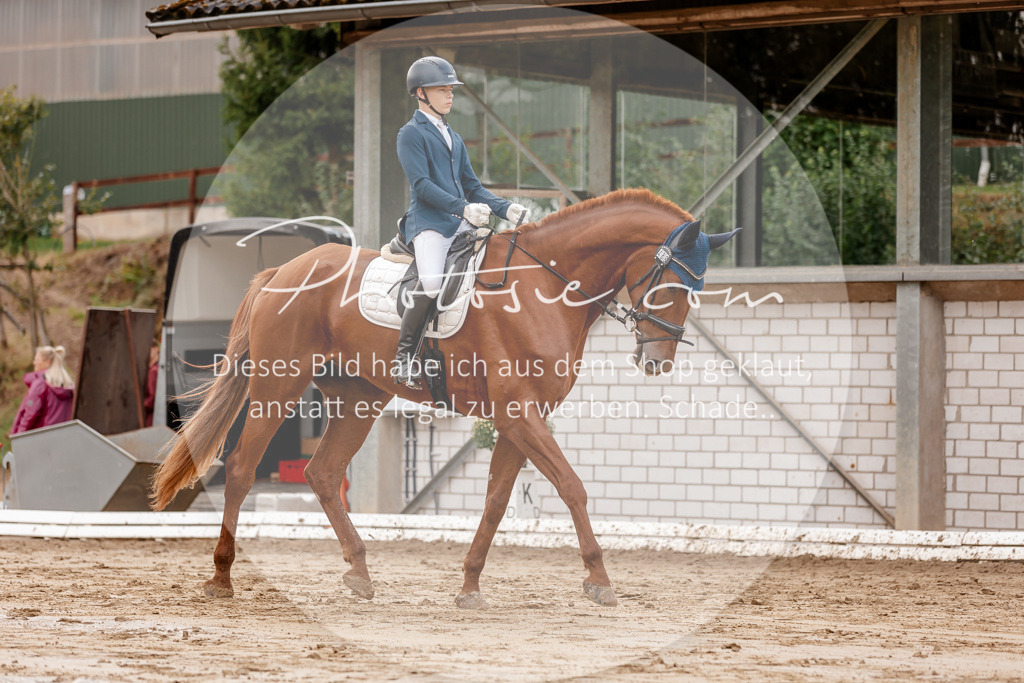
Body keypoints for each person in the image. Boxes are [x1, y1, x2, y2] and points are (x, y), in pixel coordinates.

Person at [392, 56, 528, 388]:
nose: (450, 95)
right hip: (430, 224)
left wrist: (505, 208)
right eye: (443, 90)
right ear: (421, 93)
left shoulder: (453, 136)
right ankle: (404, 358)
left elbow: (473, 186)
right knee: (433, 282)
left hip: (460, 223)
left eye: (451, 89)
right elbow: (422, 186)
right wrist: (464, 210)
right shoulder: (410, 134)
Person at [11, 345, 75, 435]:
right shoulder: (66, 385)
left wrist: (18, 436)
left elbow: (30, 414)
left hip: (40, 440)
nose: (34, 363)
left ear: (47, 362)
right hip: (62, 438)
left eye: (36, 360)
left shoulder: (40, 384)